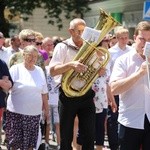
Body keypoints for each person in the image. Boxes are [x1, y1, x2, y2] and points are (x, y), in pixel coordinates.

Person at [49, 18, 99, 150]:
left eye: (84, 31)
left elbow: (95, 71)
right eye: (79, 31)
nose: (83, 34)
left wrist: (100, 66)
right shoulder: (62, 46)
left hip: (86, 94)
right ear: (71, 31)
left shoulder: (90, 47)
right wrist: (71, 65)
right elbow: (53, 71)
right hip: (67, 95)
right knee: (66, 136)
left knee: (89, 135)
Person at [109, 21, 150, 150]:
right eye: (142, 39)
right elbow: (114, 89)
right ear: (134, 38)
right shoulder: (123, 60)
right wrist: (139, 73)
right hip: (130, 120)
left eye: (149, 39)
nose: (146, 43)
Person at [5, 45, 49, 150]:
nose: (33, 58)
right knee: (15, 142)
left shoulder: (39, 71)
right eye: (30, 55)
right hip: (16, 113)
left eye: (35, 56)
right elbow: (8, 86)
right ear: (23, 55)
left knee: (30, 143)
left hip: (34, 114)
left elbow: (44, 92)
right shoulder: (15, 69)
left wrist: (47, 111)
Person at [107, 27, 134, 150]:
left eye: (126, 37)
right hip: (116, 88)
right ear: (117, 38)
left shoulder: (132, 50)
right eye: (121, 38)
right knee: (113, 118)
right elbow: (108, 74)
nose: (124, 40)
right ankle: (114, 145)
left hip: (129, 88)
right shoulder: (111, 52)